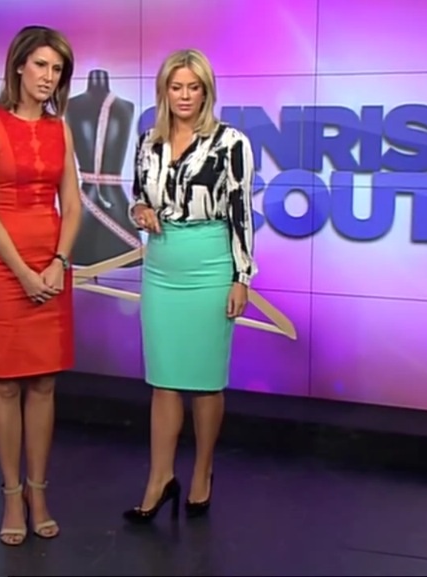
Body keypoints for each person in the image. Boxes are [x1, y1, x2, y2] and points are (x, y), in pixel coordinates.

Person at [123, 49, 256, 524]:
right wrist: (140, 212)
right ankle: (160, 479)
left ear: (206, 92)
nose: (184, 96)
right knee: (163, 380)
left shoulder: (230, 142)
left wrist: (241, 277)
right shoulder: (148, 141)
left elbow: (241, 212)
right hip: (161, 267)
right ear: (164, 91)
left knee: (204, 381)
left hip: (210, 266)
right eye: (176, 87)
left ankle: (202, 472)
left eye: (193, 88)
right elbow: (138, 198)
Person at [0, 25, 81, 546]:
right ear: (18, 65)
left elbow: (72, 205)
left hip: (51, 265)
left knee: (44, 384)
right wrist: (21, 271)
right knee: (7, 383)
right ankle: (12, 493)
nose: (48, 77)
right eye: (40, 65)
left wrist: (59, 261)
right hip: (3, 268)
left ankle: (39, 491)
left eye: (56, 69)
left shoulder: (61, 129)